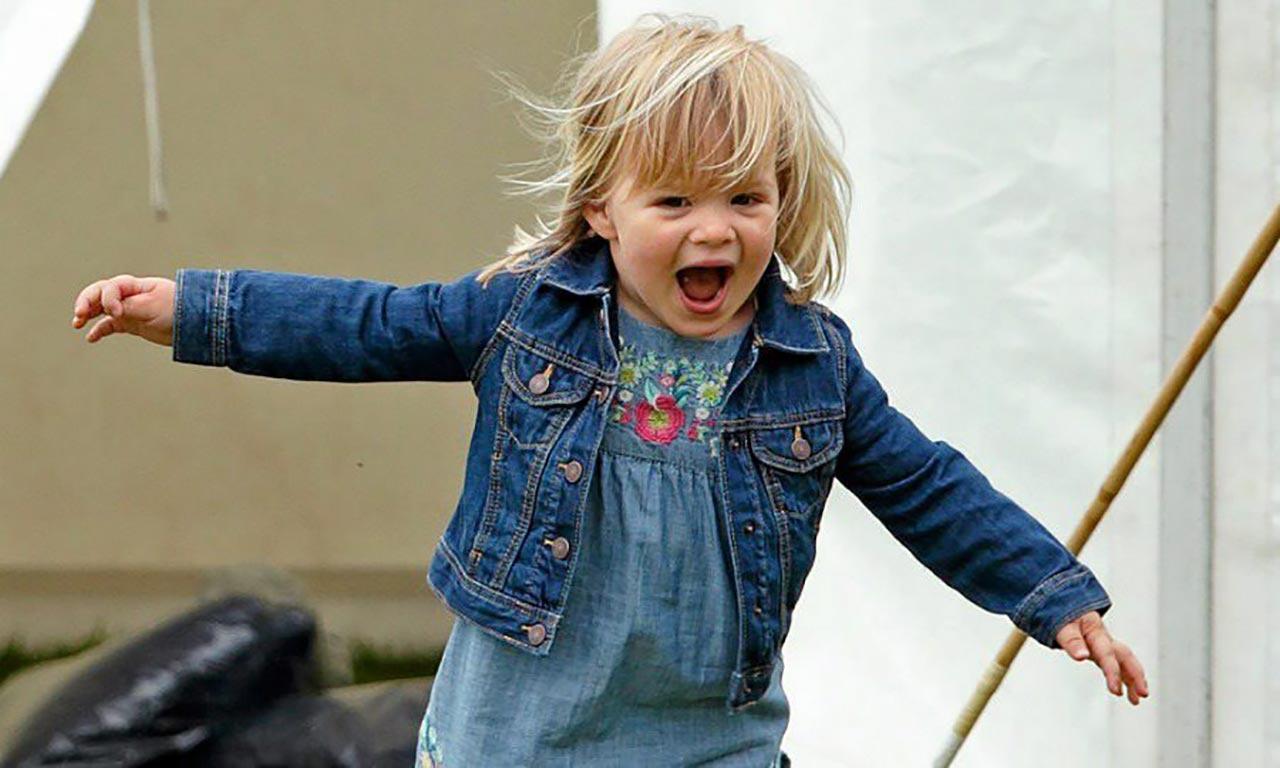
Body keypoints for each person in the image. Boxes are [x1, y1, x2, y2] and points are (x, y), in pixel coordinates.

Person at [70, 13, 1148, 767]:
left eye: (743, 198)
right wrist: (196, 309)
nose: (713, 230)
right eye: (673, 201)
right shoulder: (523, 315)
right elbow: (369, 324)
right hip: (517, 733)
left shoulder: (812, 365)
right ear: (601, 209)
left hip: (708, 739)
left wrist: (1050, 591)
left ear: (780, 201)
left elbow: (926, 485)